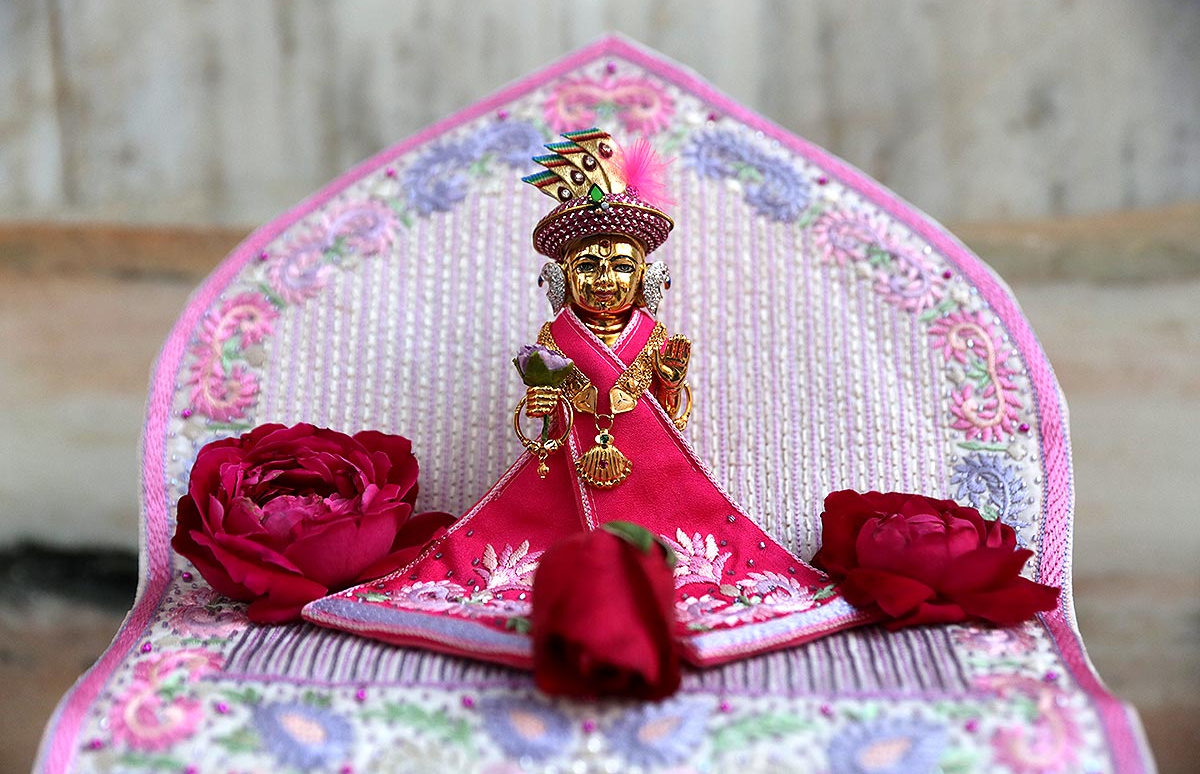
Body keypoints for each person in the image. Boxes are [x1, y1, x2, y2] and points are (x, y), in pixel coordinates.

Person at [304, 129, 874, 667]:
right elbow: (539, 415)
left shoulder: (653, 335)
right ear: (562, 278)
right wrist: (542, 401)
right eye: (589, 266)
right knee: (511, 551)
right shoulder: (557, 337)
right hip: (565, 464)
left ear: (646, 277)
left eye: (622, 266)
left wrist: (671, 380)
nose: (606, 279)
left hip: (650, 460)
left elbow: (673, 411)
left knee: (697, 543)